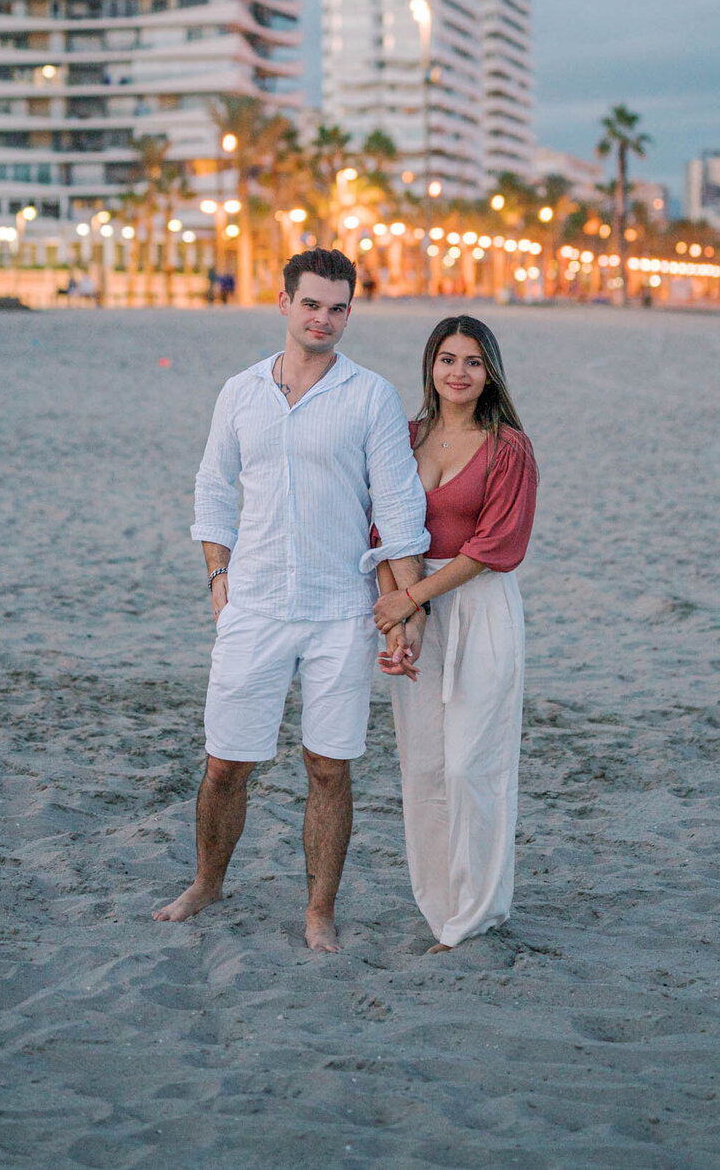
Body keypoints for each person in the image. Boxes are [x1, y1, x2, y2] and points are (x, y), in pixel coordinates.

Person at [152, 247, 429, 950]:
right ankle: (207, 882)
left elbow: (398, 508)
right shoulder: (241, 391)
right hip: (254, 604)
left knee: (328, 767)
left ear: (349, 313)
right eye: (310, 304)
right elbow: (213, 486)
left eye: (337, 308)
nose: (322, 319)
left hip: (342, 609)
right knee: (226, 762)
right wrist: (217, 577)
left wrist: (409, 607)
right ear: (284, 303)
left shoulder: (370, 396)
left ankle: (318, 911)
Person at [373, 315, 537, 951]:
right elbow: (382, 527)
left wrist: (412, 599)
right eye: (448, 359)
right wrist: (400, 616)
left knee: (473, 765)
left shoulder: (508, 448)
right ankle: (441, 908)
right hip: (410, 597)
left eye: (473, 361)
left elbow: (494, 546)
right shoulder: (405, 436)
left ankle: (478, 910)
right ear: (431, 366)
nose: (459, 372)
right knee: (424, 768)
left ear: (490, 372)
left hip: (480, 606)